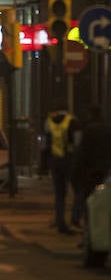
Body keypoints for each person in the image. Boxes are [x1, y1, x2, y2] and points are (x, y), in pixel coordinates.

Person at [44, 99, 79, 234]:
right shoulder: (73, 120)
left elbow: (45, 142)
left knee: (59, 194)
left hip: (54, 160)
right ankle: (75, 219)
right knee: (78, 190)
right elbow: (78, 142)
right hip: (70, 160)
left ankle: (60, 221)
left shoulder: (49, 121)